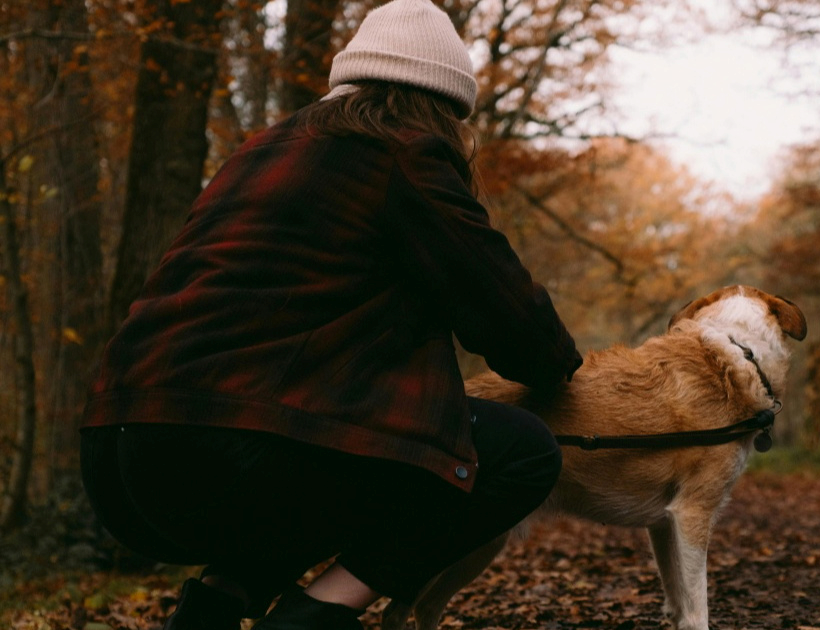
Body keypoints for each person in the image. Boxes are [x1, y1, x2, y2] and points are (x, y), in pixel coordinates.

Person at [79, 1, 583, 628]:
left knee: (330, 447)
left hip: (121, 450)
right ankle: (315, 614)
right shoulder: (403, 152)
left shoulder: (265, 148)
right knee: (520, 452)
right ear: (445, 109)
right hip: (231, 451)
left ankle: (214, 605)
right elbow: (516, 326)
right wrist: (567, 368)